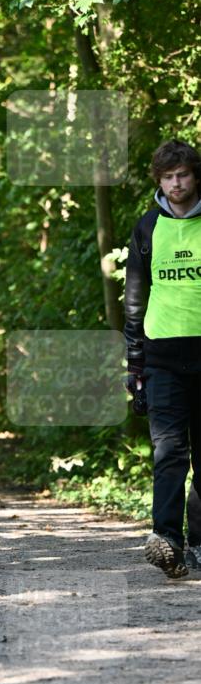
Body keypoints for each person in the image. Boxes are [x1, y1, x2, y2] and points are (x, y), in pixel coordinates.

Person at [125, 138, 201, 578]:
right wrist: (134, 366)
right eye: (169, 177)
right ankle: (168, 541)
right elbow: (135, 300)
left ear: (195, 176)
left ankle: (200, 543)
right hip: (162, 358)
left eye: (184, 175)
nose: (176, 183)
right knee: (170, 452)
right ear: (159, 180)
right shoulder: (147, 227)